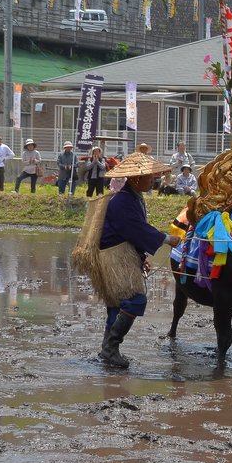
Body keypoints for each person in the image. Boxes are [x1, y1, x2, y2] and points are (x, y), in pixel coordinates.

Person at [97, 153, 181, 368]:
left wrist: (141, 256)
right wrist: (166, 238)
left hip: (121, 253)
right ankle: (111, 347)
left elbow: (133, 232)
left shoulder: (132, 197)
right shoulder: (124, 200)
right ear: (136, 179)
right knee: (135, 299)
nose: (154, 180)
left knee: (117, 304)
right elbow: (135, 229)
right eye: (150, 177)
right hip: (113, 256)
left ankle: (108, 348)